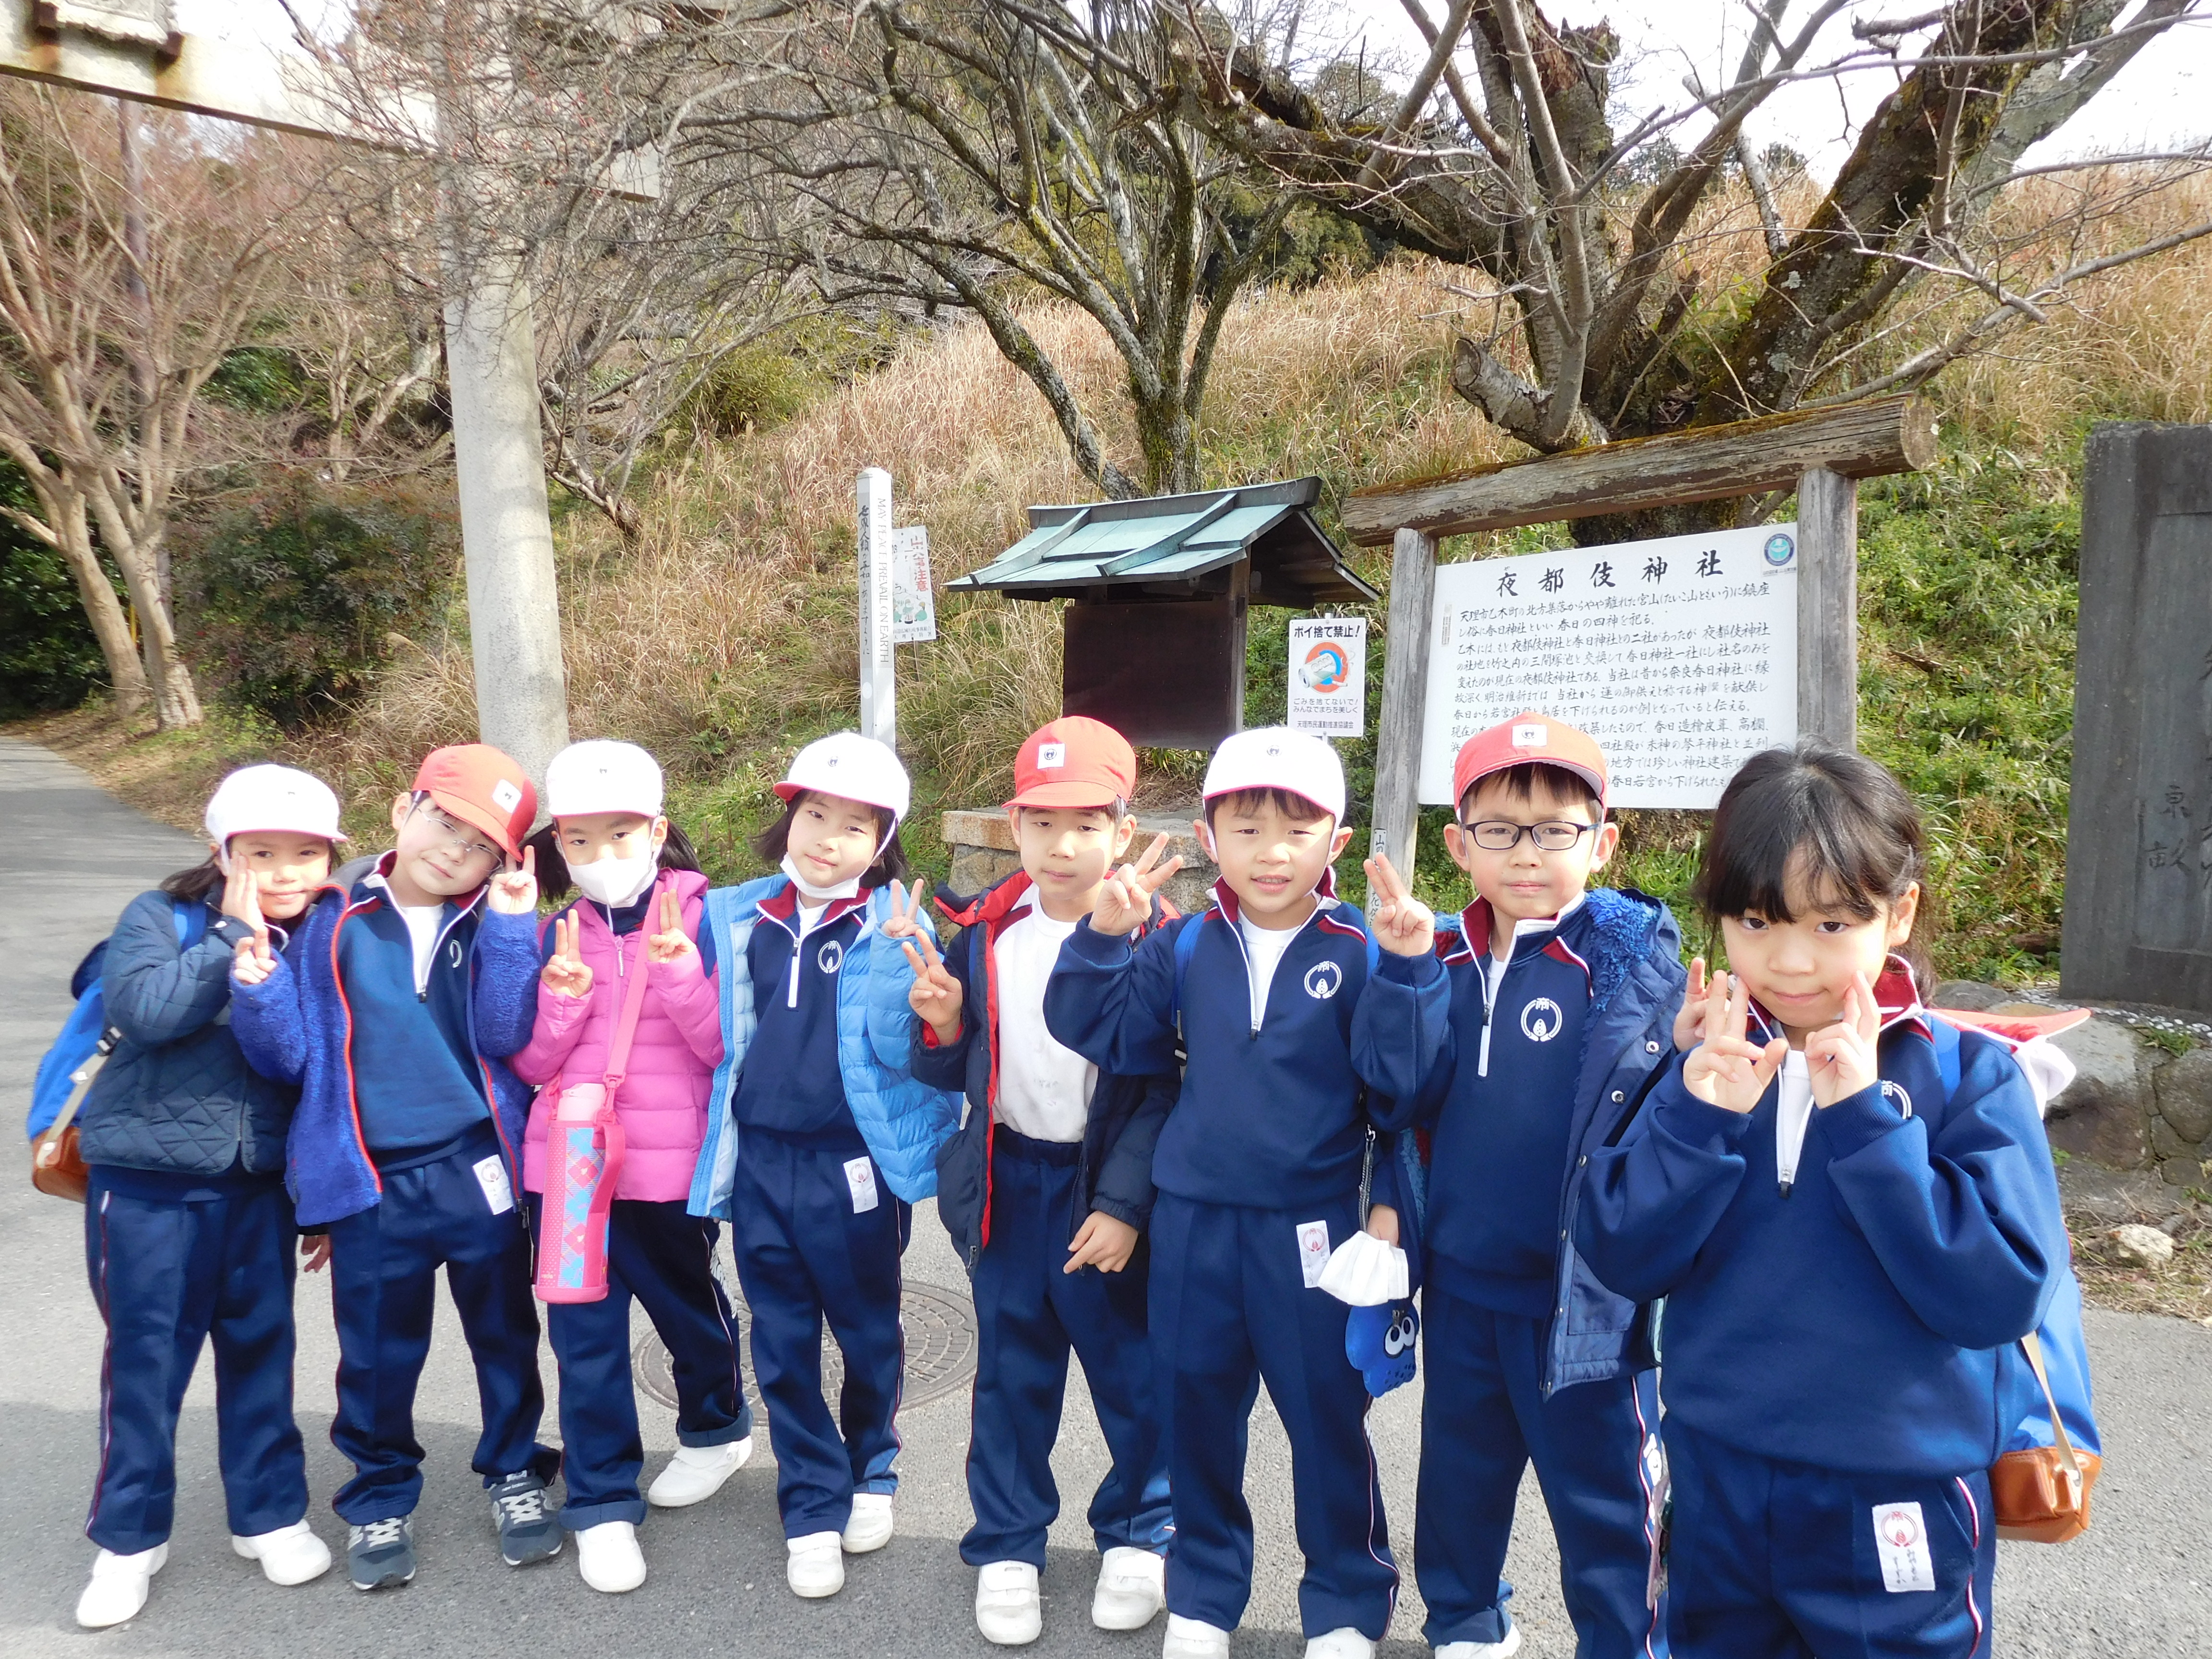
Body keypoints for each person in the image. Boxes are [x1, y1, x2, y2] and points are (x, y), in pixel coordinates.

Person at [1575, 740, 2068, 1659]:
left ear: (1900, 910)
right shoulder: (1706, 1065)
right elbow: (1619, 1254)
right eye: (1756, 923)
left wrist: (1870, 1126)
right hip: (1719, 1471)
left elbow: (1998, 1294)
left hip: (1897, 1484)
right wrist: (1692, 1114)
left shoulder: (1966, 1076)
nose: (1790, 962)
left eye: (1834, 925)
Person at [1045, 727, 1449, 1659]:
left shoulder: (1360, 947)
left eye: (1299, 827)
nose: (1273, 850)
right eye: (1249, 825)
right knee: (1194, 1415)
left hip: (1310, 1231)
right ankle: (1204, 1595)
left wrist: (1413, 971)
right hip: (1189, 1223)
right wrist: (1104, 932)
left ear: (1337, 843)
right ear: (1207, 834)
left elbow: (1407, 1089)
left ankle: (1346, 1607)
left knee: (1325, 1423)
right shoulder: (1185, 944)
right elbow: (1098, 1031)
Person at [1380, 713, 1682, 1659]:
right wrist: (1402, 975)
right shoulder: (1440, 954)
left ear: (1604, 840)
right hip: (1462, 1283)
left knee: (1605, 1499)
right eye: (1502, 829)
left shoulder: (1631, 967)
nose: (1529, 852)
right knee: (1459, 1478)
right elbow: (1401, 1092)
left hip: (1585, 1299)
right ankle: (1467, 1623)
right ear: (1459, 842)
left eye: (1557, 829)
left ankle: (1624, 1641)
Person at [229, 744, 555, 1593]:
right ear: (404, 809)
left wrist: (517, 930)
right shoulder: (327, 917)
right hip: (371, 1180)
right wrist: (260, 989)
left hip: (475, 1165)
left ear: (502, 860)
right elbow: (291, 1060)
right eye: (444, 822)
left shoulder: (489, 918)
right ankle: (379, 1494)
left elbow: (503, 1035)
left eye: (481, 843)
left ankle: (514, 1472)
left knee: (504, 1334)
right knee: (375, 1351)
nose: (455, 850)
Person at [906, 717, 1178, 1646]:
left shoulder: (1162, 941)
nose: (1065, 846)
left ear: (1123, 829)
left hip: (1106, 1189)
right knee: (1012, 1376)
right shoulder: (983, 929)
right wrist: (942, 1027)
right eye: (1041, 823)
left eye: (1088, 823)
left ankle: (1141, 1533)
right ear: (1011, 826)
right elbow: (955, 1072)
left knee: (1133, 1373)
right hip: (1006, 1178)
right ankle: (1009, 1545)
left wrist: (1123, 1206)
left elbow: (1166, 1090)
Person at [68, 766, 344, 1628]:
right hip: (147, 1186)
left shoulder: (330, 937)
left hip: (260, 1190)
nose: (287, 871)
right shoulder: (163, 918)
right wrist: (231, 936)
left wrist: (323, 1195)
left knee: (263, 1352)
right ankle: (128, 1538)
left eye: (305, 853)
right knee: (148, 1361)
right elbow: (146, 1011)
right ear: (223, 851)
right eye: (263, 853)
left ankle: (267, 1515)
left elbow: (329, 1076)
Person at [686, 732, 959, 1600]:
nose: (826, 838)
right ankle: (809, 1500)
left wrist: (908, 981)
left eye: (853, 825)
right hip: (763, 1164)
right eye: (814, 815)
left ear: (881, 843)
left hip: (854, 1169)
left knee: (869, 1326)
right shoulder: (741, 917)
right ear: (788, 819)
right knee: (783, 1336)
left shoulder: (895, 929)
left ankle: (872, 1470)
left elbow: (908, 1050)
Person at [509, 740, 752, 1595]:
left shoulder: (711, 919)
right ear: (559, 845)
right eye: (579, 840)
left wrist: (684, 977)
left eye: (620, 834)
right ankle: (604, 1501)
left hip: (668, 1170)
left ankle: (717, 1429)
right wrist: (563, 1000)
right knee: (583, 1337)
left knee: (689, 1309)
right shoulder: (554, 931)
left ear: (657, 830)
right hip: (568, 1168)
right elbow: (532, 1065)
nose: (600, 855)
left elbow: (729, 1051)